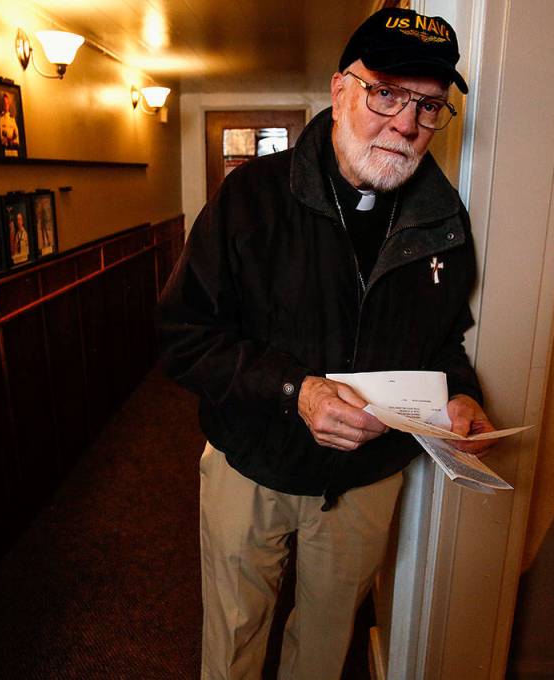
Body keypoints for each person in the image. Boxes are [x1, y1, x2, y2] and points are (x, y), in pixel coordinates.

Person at [158, 8, 495, 680]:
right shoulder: (250, 197)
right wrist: (298, 390)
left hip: (364, 481)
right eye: (387, 93)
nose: (406, 123)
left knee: (325, 641)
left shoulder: (444, 218)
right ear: (342, 89)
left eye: (429, 106)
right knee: (234, 633)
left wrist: (461, 393)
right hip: (248, 460)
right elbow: (183, 336)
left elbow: (443, 340)